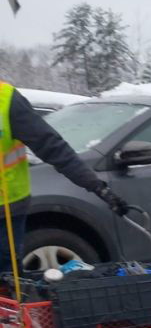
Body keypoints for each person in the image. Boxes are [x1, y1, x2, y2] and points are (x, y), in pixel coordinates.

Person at [0, 81, 128, 275]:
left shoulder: (6, 99)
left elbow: (52, 147)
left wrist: (96, 186)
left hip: (7, 210)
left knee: (6, 277)